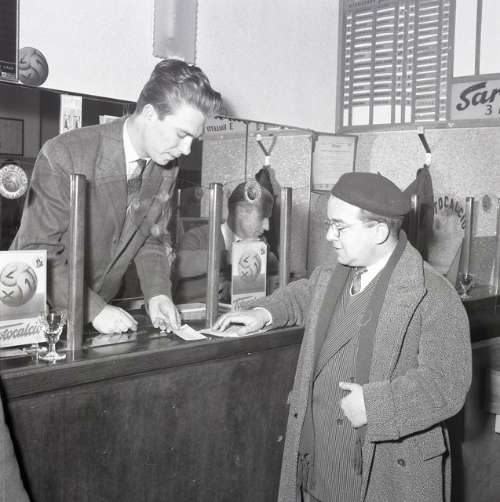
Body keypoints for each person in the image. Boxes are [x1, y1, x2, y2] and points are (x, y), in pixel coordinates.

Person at [213, 171, 472, 502]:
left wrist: (376, 406)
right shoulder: (333, 274)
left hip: (384, 471)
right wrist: (263, 312)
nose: (329, 235)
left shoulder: (434, 294)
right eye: (328, 224)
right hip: (319, 461)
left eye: (340, 226)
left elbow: (447, 382)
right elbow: (303, 294)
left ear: (379, 231)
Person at [11, 59, 223, 334]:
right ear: (149, 114)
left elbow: (152, 236)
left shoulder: (166, 167)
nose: (186, 149)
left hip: (98, 315)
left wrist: (157, 292)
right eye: (182, 134)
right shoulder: (65, 153)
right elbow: (38, 250)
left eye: (194, 139)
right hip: (31, 310)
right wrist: (93, 309)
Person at [173, 180, 278, 304]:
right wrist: (226, 257)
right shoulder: (197, 237)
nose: (267, 226)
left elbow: (273, 274)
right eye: (262, 218)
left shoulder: (260, 243)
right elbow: (180, 266)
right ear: (240, 212)